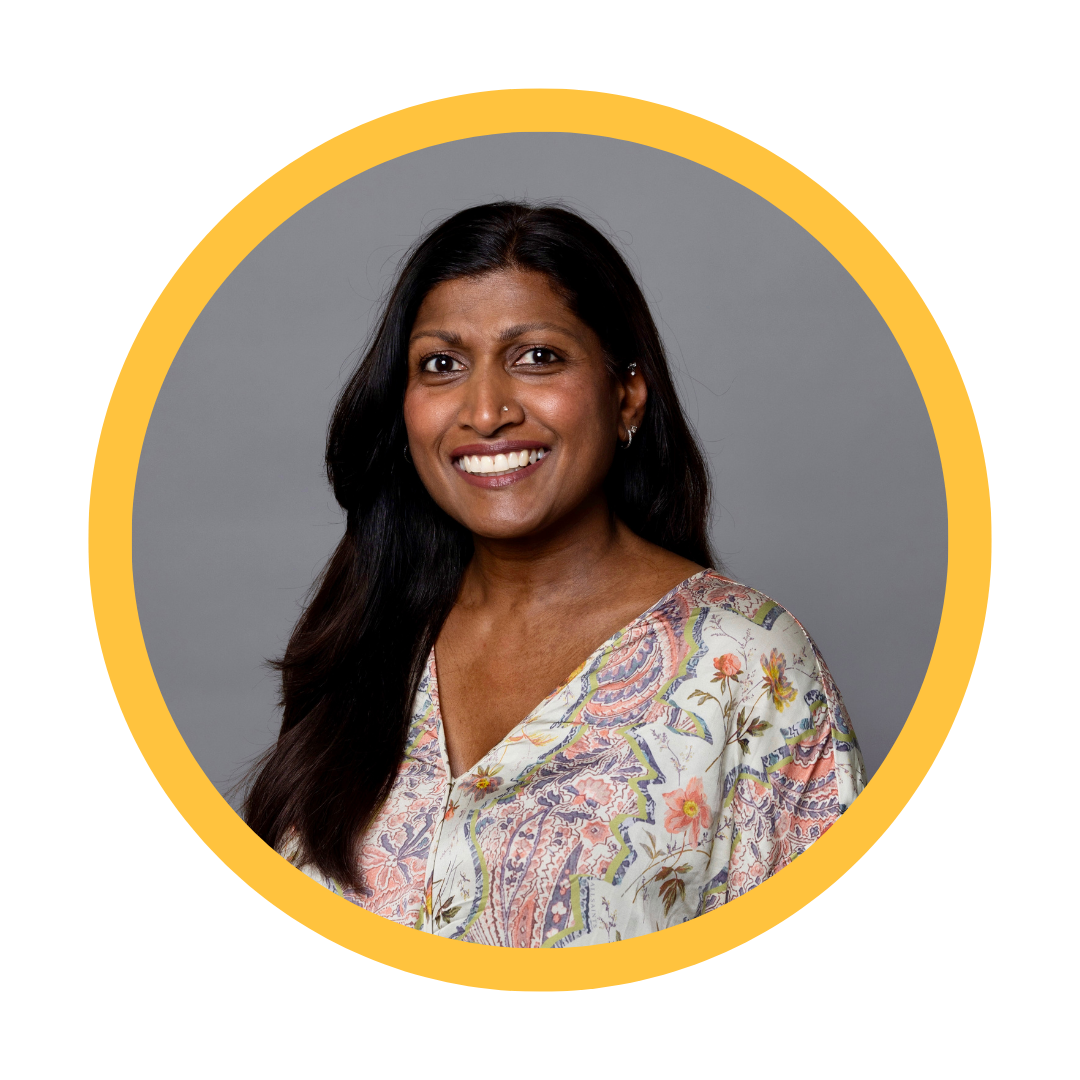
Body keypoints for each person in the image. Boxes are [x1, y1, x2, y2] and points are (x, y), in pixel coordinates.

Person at [242, 202, 866, 947]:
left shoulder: (742, 662)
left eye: (537, 357)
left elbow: (818, 957)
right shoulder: (368, 636)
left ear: (626, 393)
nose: (485, 411)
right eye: (442, 364)